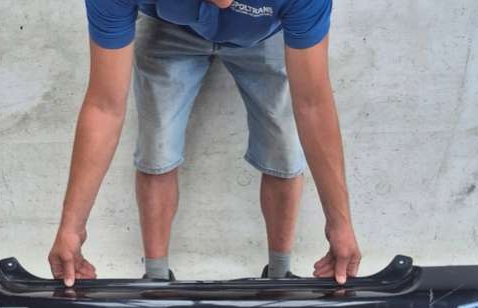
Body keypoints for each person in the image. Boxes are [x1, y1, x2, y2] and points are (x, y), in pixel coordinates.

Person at [48, 0, 361, 284]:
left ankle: (279, 277)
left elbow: (313, 105)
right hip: (170, 28)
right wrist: (72, 228)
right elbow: (104, 107)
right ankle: (156, 280)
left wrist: (340, 225)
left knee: (284, 150)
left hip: (265, 35)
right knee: (157, 149)